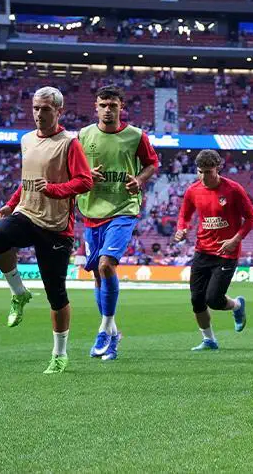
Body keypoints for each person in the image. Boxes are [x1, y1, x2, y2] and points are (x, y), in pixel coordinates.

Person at [0, 86, 93, 374]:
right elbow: (28, 180)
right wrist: (11, 204)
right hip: (27, 214)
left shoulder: (69, 143)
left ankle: (59, 354)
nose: (39, 114)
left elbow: (85, 181)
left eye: (45, 109)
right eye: (36, 108)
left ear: (59, 111)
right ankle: (19, 293)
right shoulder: (26, 139)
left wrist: (55, 190)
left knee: (56, 295)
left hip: (56, 227)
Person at [77, 86, 159, 361]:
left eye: (113, 105)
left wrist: (140, 179)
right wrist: (86, 174)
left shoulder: (136, 136)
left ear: (121, 107)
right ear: (96, 107)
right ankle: (113, 334)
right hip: (91, 211)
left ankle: (103, 329)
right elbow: (71, 168)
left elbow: (152, 164)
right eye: (103, 105)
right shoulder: (83, 135)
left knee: (105, 265)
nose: (108, 109)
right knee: (98, 275)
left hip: (123, 209)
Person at [173, 149, 253, 351]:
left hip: (226, 253)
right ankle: (209, 340)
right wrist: (181, 229)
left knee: (214, 300)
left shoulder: (233, 189)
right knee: (196, 300)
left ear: (218, 168)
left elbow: (251, 218)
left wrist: (235, 240)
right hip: (202, 251)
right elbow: (184, 215)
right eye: (200, 172)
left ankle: (237, 305)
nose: (204, 176)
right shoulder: (193, 191)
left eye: (208, 172)